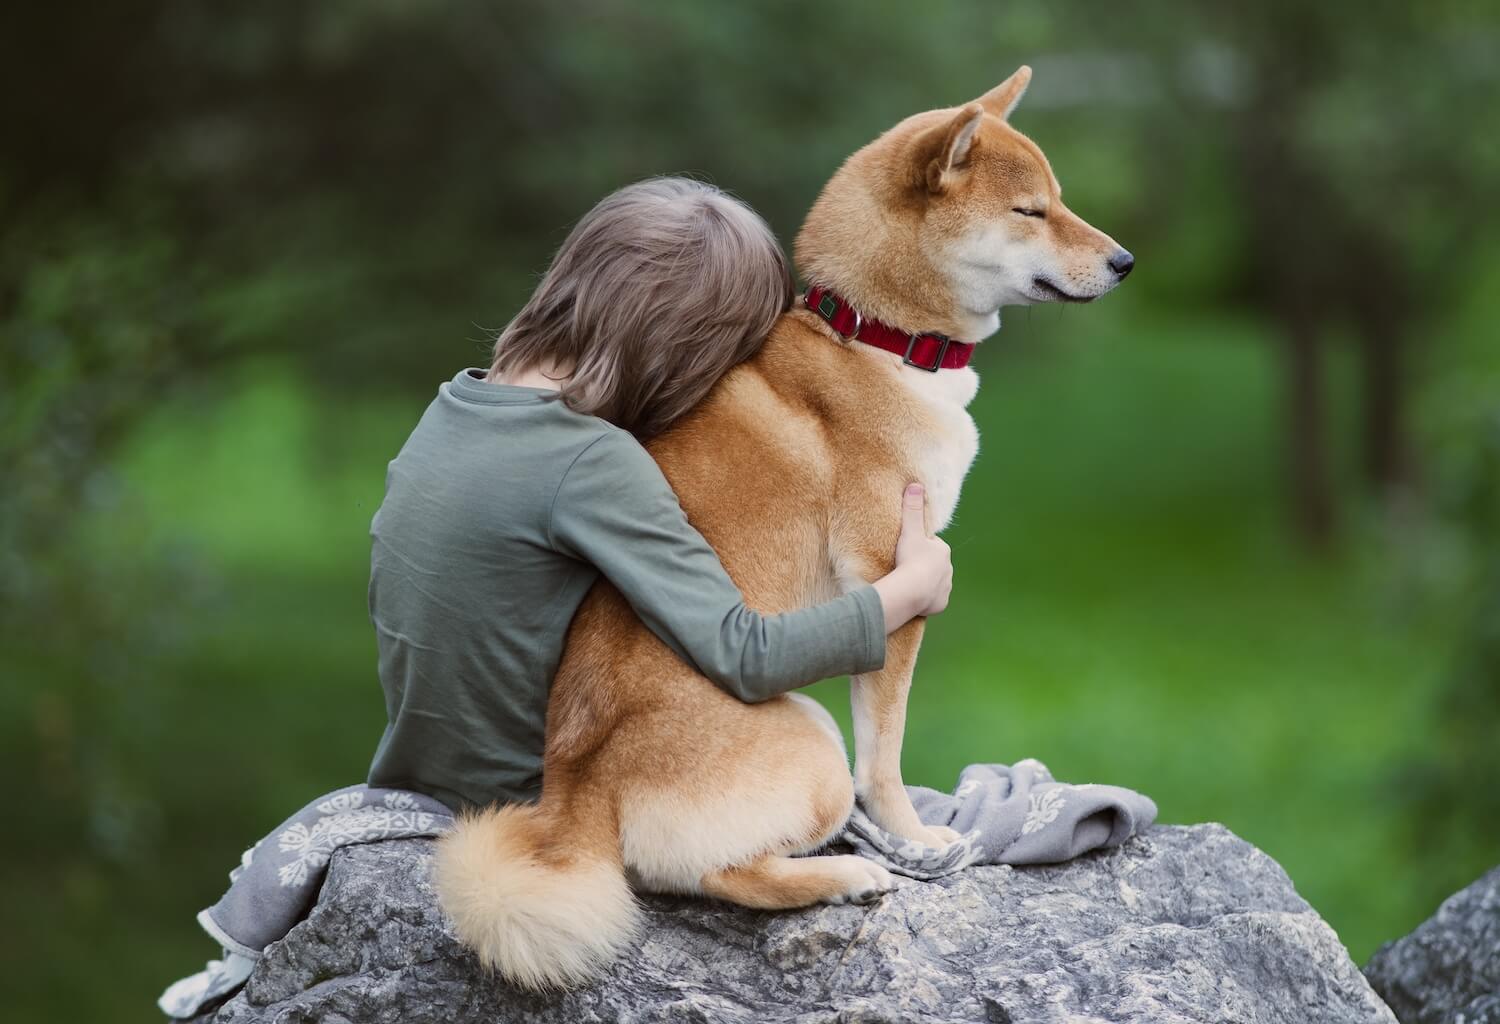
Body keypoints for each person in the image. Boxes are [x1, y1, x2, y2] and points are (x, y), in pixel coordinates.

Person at [366, 177, 953, 812]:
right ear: (688, 351)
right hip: (532, 802)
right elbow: (746, 654)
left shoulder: (457, 406)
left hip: (419, 781)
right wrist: (903, 592)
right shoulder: (591, 462)